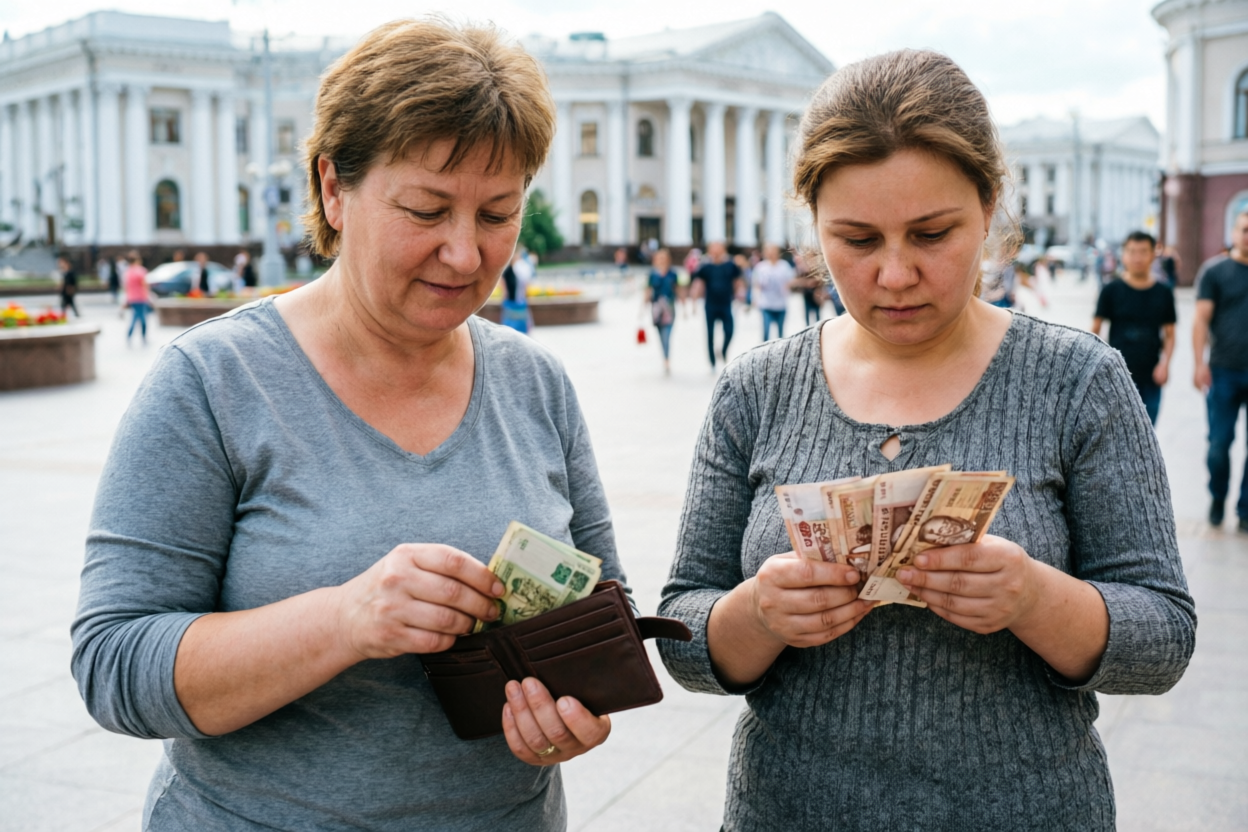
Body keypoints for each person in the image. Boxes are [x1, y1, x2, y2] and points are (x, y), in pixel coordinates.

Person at [72, 19, 623, 831]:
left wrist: (574, 707)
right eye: (426, 210)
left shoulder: (534, 382)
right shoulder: (213, 381)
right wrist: (344, 619)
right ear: (334, 187)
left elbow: (604, 612)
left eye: (497, 213)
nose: (465, 254)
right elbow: (114, 664)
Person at [658, 49, 1193, 831]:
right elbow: (681, 630)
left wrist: (1033, 598)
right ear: (813, 225)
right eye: (857, 239)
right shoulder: (756, 387)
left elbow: (1165, 638)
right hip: (788, 809)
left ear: (989, 207)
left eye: (932, 233)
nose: (896, 274)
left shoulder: (1079, 381)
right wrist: (758, 615)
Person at [1194, 209, 1248, 530]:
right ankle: (1217, 496)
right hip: (1223, 370)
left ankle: (1246, 510)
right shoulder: (1215, 272)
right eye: (1244, 229)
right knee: (1218, 444)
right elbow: (1201, 320)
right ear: (1233, 233)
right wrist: (1199, 363)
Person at [1090, 231, 1176, 425]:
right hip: (1116, 375)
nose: (1137, 257)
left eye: (1143, 251)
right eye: (1132, 251)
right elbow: (1095, 330)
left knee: (1147, 432)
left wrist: (1165, 364)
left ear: (1153, 255)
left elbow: (1170, 334)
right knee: (1114, 433)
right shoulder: (1110, 290)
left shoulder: (1163, 292)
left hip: (1151, 375)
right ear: (1123, 255)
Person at [691, 240, 744, 370]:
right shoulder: (705, 266)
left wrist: (740, 294)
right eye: (713, 248)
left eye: (718, 248)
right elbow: (699, 284)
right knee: (710, 333)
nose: (715, 251)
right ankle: (712, 361)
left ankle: (724, 350)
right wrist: (694, 302)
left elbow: (737, 281)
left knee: (729, 330)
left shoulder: (730, 265)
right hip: (710, 305)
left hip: (726, 304)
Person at [752, 243, 796, 340]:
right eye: (769, 252)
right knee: (766, 332)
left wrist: (788, 286)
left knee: (780, 334)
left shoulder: (784, 265)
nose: (772, 254)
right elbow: (756, 285)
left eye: (774, 251)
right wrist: (755, 298)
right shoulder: (760, 267)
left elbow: (791, 280)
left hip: (780, 304)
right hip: (766, 304)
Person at [646, 247, 679, 373]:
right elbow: (648, 290)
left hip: (669, 309)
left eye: (663, 258)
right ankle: (665, 355)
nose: (661, 260)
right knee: (660, 334)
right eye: (659, 258)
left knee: (667, 335)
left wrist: (685, 305)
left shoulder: (673, 274)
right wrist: (642, 307)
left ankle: (666, 359)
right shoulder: (652, 274)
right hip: (656, 309)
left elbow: (677, 289)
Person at [122, 250, 150, 344]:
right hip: (141, 298)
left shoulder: (127, 272)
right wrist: (148, 296)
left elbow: (126, 286)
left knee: (135, 317)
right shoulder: (141, 270)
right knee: (142, 318)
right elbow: (145, 285)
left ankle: (129, 335)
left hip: (132, 298)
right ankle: (143, 336)